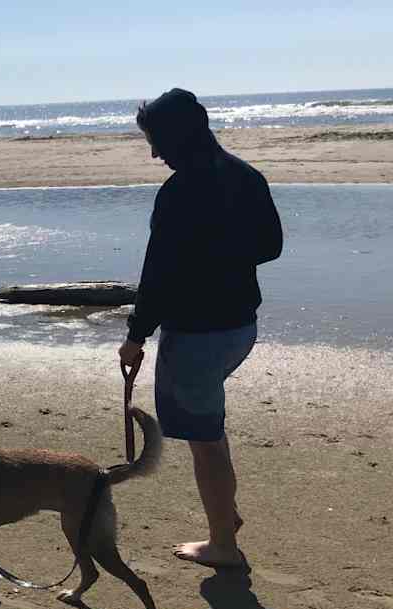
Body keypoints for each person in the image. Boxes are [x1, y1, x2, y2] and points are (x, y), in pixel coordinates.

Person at [118, 88, 283, 568]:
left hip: (197, 335)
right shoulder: (246, 175)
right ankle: (224, 517)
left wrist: (135, 335)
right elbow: (270, 246)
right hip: (239, 328)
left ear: (177, 135)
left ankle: (223, 546)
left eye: (156, 142)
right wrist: (225, 255)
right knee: (208, 426)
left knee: (204, 440)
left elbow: (158, 274)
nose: (154, 153)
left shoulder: (179, 192)